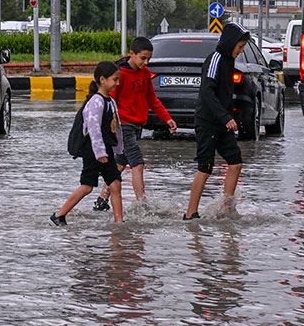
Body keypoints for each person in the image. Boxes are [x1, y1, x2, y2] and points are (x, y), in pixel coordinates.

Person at [94, 36, 176, 211]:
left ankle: (101, 200)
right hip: (123, 126)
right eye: (143, 58)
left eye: (148, 59)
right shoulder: (120, 75)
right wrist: (111, 123)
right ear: (132, 53)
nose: (145, 62)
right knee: (138, 164)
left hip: (137, 125)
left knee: (120, 163)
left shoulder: (145, 73)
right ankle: (142, 205)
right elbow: (111, 100)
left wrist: (167, 118)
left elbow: (152, 100)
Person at [184, 23, 251, 221]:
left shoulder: (229, 61)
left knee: (236, 163)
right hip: (208, 121)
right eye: (239, 47)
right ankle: (190, 214)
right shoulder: (215, 59)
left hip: (223, 124)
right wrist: (225, 117)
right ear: (230, 43)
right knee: (205, 167)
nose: (240, 51)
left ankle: (225, 209)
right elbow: (207, 90)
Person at [50, 61, 125, 226]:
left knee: (115, 184)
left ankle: (119, 222)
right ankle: (59, 215)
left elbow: (115, 127)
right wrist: (100, 153)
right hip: (94, 151)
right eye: (115, 79)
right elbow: (93, 129)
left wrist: (119, 149)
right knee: (87, 186)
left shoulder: (110, 102)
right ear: (103, 80)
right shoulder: (96, 102)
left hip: (106, 151)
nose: (117, 83)